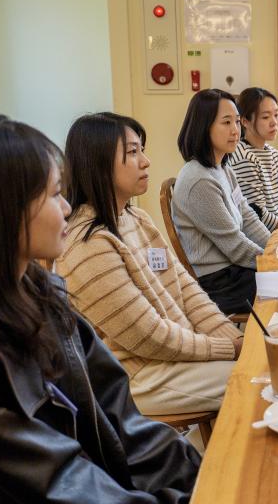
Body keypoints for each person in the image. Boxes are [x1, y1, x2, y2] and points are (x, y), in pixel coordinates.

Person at [0, 114, 199, 504]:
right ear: (0, 209)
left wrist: (206, 481)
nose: (67, 207)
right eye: (54, 194)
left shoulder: (42, 296)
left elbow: (124, 424)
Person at [56, 112, 241, 417]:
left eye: (142, 150)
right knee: (258, 378)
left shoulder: (136, 218)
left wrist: (233, 338)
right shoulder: (88, 244)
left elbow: (186, 289)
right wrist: (228, 349)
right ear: (98, 162)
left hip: (171, 358)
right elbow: (148, 336)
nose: (146, 161)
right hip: (138, 375)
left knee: (260, 361)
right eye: (132, 152)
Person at [172, 89, 272, 314]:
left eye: (237, 121)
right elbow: (235, 246)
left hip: (236, 270)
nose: (235, 130)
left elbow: (247, 218)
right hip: (219, 283)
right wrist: (273, 263)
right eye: (226, 122)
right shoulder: (199, 180)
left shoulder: (223, 168)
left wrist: (275, 248)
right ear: (203, 126)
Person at [227, 87, 278, 231]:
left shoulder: (274, 155)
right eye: (265, 117)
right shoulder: (243, 156)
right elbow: (257, 213)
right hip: (263, 235)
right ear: (245, 121)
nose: (274, 122)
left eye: (276, 115)